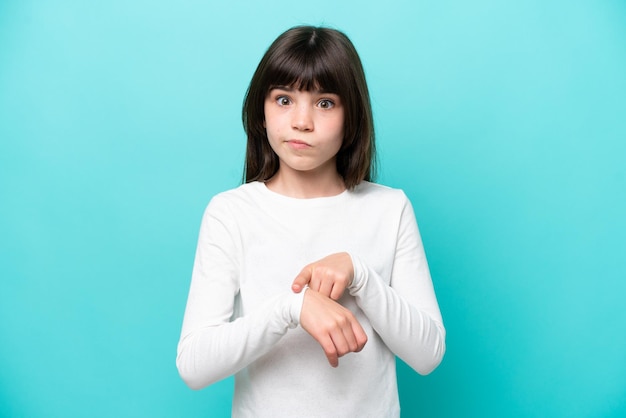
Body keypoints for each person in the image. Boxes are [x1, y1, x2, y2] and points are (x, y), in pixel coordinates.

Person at [176, 25, 446, 417]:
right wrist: (291, 309)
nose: (301, 121)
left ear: (351, 115)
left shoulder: (390, 209)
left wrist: (361, 276)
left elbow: (428, 354)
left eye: (324, 103)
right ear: (261, 112)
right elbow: (194, 366)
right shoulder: (231, 213)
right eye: (284, 99)